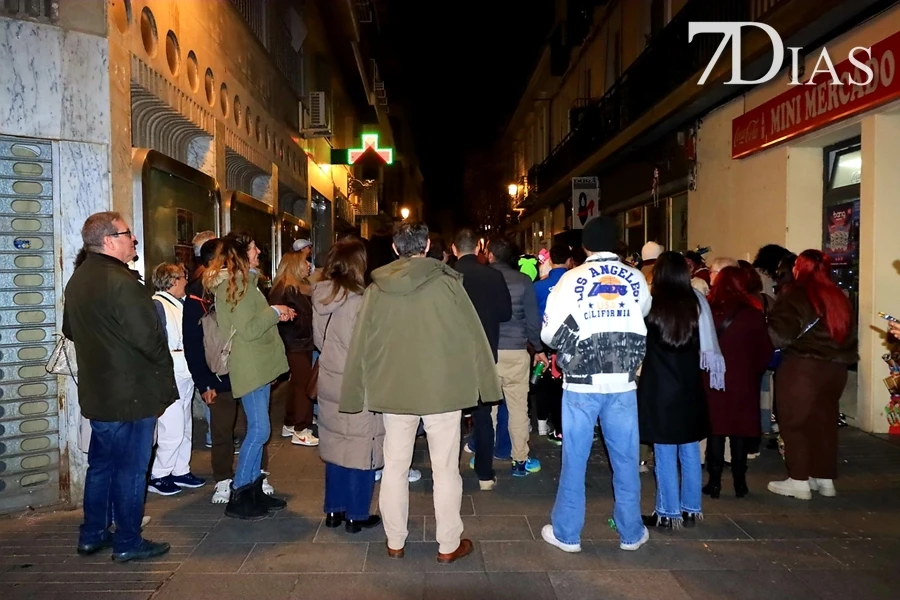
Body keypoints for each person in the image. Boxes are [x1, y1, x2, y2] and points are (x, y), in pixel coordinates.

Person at [341, 222, 501, 563]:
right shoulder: (447, 285)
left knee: (395, 466)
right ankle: (447, 545)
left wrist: (354, 392)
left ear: (397, 249)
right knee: (445, 469)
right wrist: (488, 386)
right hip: (442, 390)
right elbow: (474, 336)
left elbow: (360, 344)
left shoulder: (376, 289)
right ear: (427, 245)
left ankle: (395, 540)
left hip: (394, 389)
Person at [64, 211, 174, 562]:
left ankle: (92, 533)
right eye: (129, 234)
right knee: (130, 470)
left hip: (99, 392)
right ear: (109, 240)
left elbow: (70, 330)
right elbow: (148, 337)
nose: (135, 240)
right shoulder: (122, 282)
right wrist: (161, 363)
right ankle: (127, 540)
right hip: (132, 394)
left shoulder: (79, 279)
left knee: (101, 466)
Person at [540, 216, 652, 553]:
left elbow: (548, 332)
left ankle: (568, 532)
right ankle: (631, 532)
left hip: (581, 382)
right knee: (626, 459)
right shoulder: (635, 277)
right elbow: (643, 312)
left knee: (575, 458)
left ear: (585, 245)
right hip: (622, 381)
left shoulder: (571, 279)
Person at [204, 233, 291, 519]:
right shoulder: (237, 284)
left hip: (259, 363)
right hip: (250, 364)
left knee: (259, 427)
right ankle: (240, 492)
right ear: (241, 254)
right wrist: (275, 311)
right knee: (259, 430)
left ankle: (252, 491)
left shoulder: (246, 282)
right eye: (254, 249)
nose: (258, 253)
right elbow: (249, 329)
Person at [639, 252, 723, 528]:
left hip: (659, 387)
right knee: (689, 447)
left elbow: (639, 345)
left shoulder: (651, 303)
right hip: (689, 385)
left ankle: (667, 511)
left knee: (663, 450)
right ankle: (691, 508)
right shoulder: (696, 301)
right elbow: (707, 344)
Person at [766, 250, 857, 499]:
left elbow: (779, 334)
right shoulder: (839, 297)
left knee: (794, 422)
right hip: (837, 369)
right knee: (825, 422)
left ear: (800, 268)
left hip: (803, 367)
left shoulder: (795, 294)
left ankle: (799, 480)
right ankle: (824, 479)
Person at [313, 239, 385, 533]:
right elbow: (370, 348)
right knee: (360, 447)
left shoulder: (322, 295)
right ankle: (356, 514)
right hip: (357, 384)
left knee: (335, 443)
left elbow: (320, 341)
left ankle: (334, 510)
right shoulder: (362, 301)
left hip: (329, 379)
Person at [704, 266, 773, 498]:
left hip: (712, 380)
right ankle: (740, 482)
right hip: (743, 380)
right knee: (739, 431)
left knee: (715, 430)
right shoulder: (752, 313)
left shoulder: (708, 312)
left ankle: (713, 482)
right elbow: (765, 350)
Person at [452, 228, 513, 490]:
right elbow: (505, 313)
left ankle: (449, 472)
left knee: (450, 416)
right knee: (484, 414)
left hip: (453, 354)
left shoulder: (447, 277)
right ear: (478, 248)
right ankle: (485, 474)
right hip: (485, 352)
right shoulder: (493, 276)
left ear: (454, 250)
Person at [488, 237, 546, 476]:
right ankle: (519, 460)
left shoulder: (483, 279)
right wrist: (539, 349)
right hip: (516, 352)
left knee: (488, 410)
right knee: (518, 409)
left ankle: (484, 458)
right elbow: (533, 321)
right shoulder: (523, 281)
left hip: (488, 353)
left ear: (491, 255)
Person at [148, 263, 206, 496]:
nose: (186, 281)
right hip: (171, 373)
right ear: (172, 281)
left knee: (185, 425)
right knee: (171, 428)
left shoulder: (179, 304)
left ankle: (180, 469)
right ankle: (159, 474)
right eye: (183, 277)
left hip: (185, 372)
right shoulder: (157, 305)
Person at [269, 252, 318, 447]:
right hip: (294, 343)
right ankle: (301, 429)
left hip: (299, 342)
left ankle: (290, 422)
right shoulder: (287, 290)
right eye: (304, 261)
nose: (308, 265)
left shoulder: (293, 288)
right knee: (304, 386)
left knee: (297, 384)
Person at [533, 244, 572, 441]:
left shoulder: (538, 286)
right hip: (570, 339)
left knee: (542, 380)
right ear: (568, 261)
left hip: (544, 339)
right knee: (565, 383)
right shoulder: (575, 282)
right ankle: (563, 426)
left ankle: (541, 423)